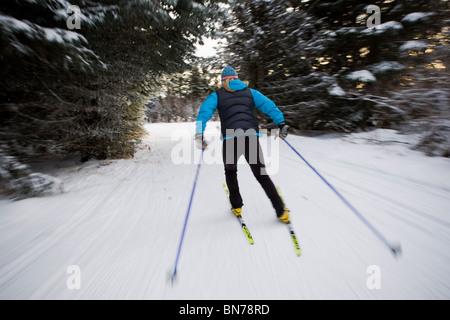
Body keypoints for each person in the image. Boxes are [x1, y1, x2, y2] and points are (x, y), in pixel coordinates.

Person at [195, 66, 291, 223]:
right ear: (237, 78)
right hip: (250, 137)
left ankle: (237, 206)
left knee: (230, 172)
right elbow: (269, 106)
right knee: (261, 175)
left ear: (223, 80)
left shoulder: (217, 95)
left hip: (230, 139)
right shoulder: (250, 92)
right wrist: (281, 123)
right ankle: (281, 211)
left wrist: (199, 134)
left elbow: (204, 113)